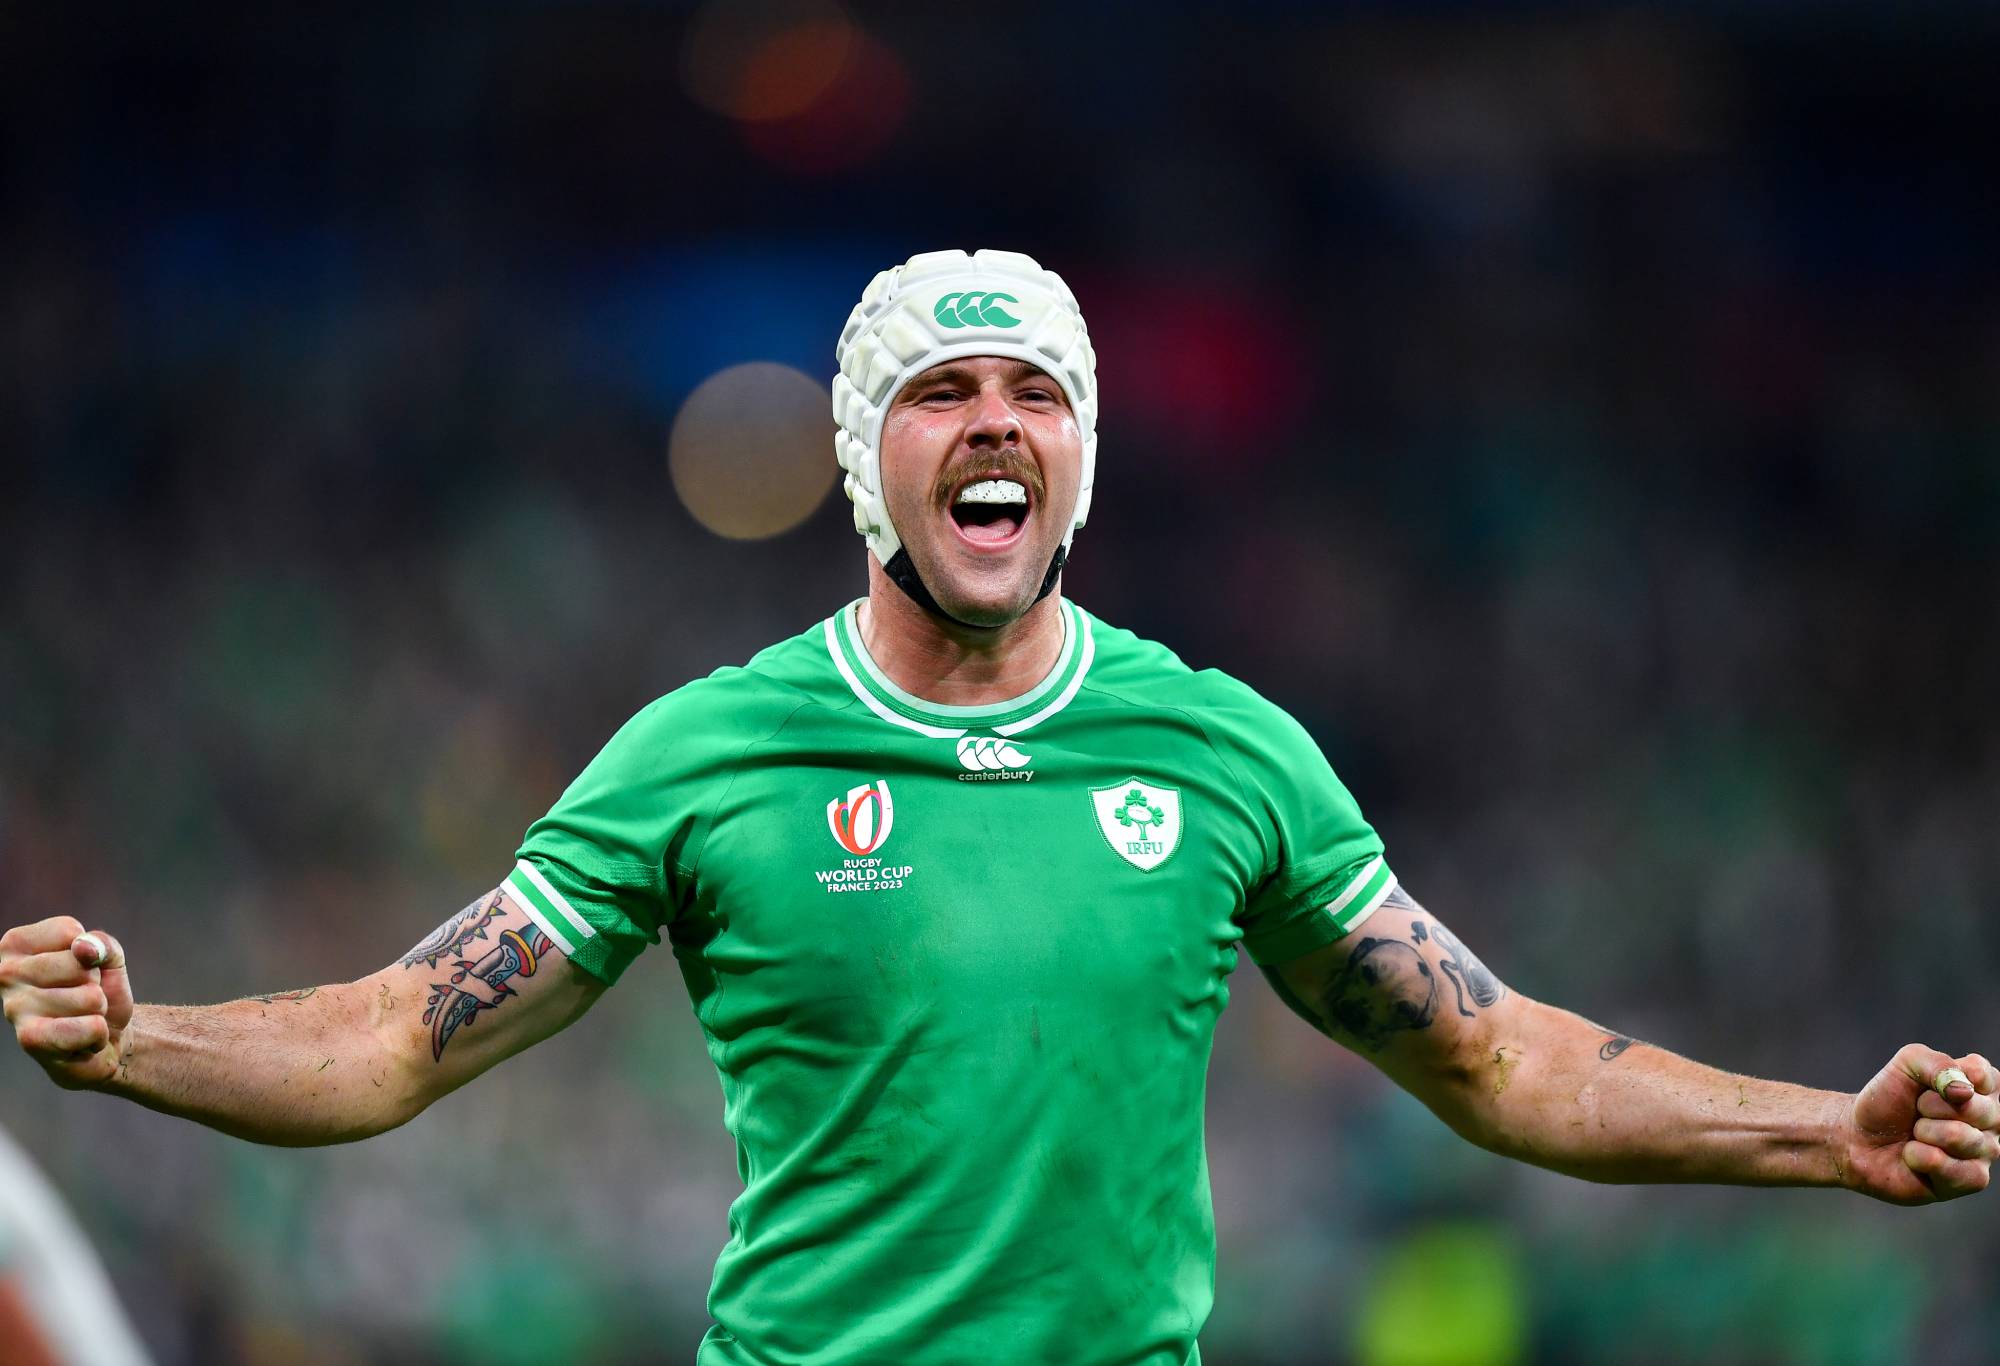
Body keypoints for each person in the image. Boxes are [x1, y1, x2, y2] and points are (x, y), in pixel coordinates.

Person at [2, 249, 1993, 1366]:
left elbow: (1508, 1061)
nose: (992, 421)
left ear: (1079, 457)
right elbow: (390, 1038)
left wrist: (1828, 1128)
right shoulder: (710, 749)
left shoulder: (1221, 748)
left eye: (1033, 391)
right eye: (941, 387)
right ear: (871, 461)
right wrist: (133, 1043)